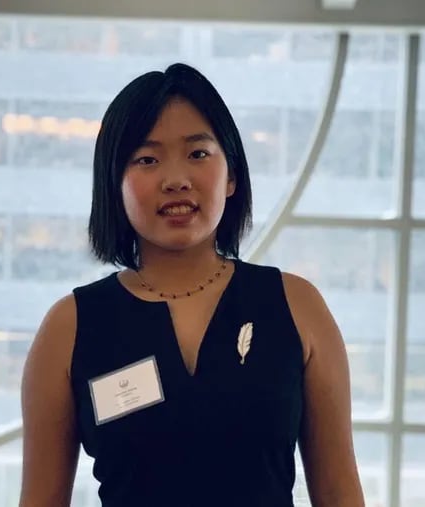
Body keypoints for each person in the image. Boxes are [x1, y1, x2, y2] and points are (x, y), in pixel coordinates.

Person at [19, 62, 365, 507]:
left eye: (198, 154)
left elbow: (339, 495)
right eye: (147, 159)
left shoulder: (297, 305)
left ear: (232, 175)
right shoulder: (70, 325)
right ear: (115, 183)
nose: (176, 179)